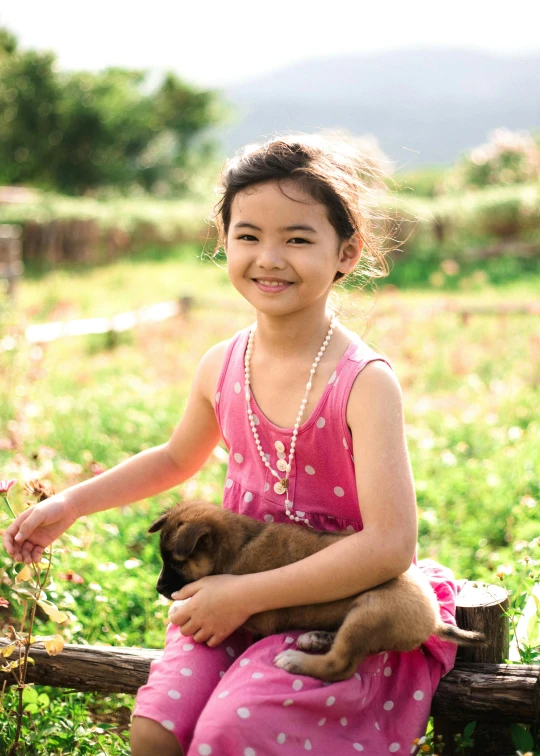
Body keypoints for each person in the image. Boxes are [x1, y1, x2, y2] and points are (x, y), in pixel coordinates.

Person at [3, 134, 458, 756]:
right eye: (248, 236)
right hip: (228, 600)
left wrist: (242, 595)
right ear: (224, 242)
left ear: (347, 251)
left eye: (298, 238)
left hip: (333, 611)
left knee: (232, 731)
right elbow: (172, 458)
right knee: (155, 730)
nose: (269, 258)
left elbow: (388, 546)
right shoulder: (222, 364)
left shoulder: (363, 382)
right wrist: (70, 504)